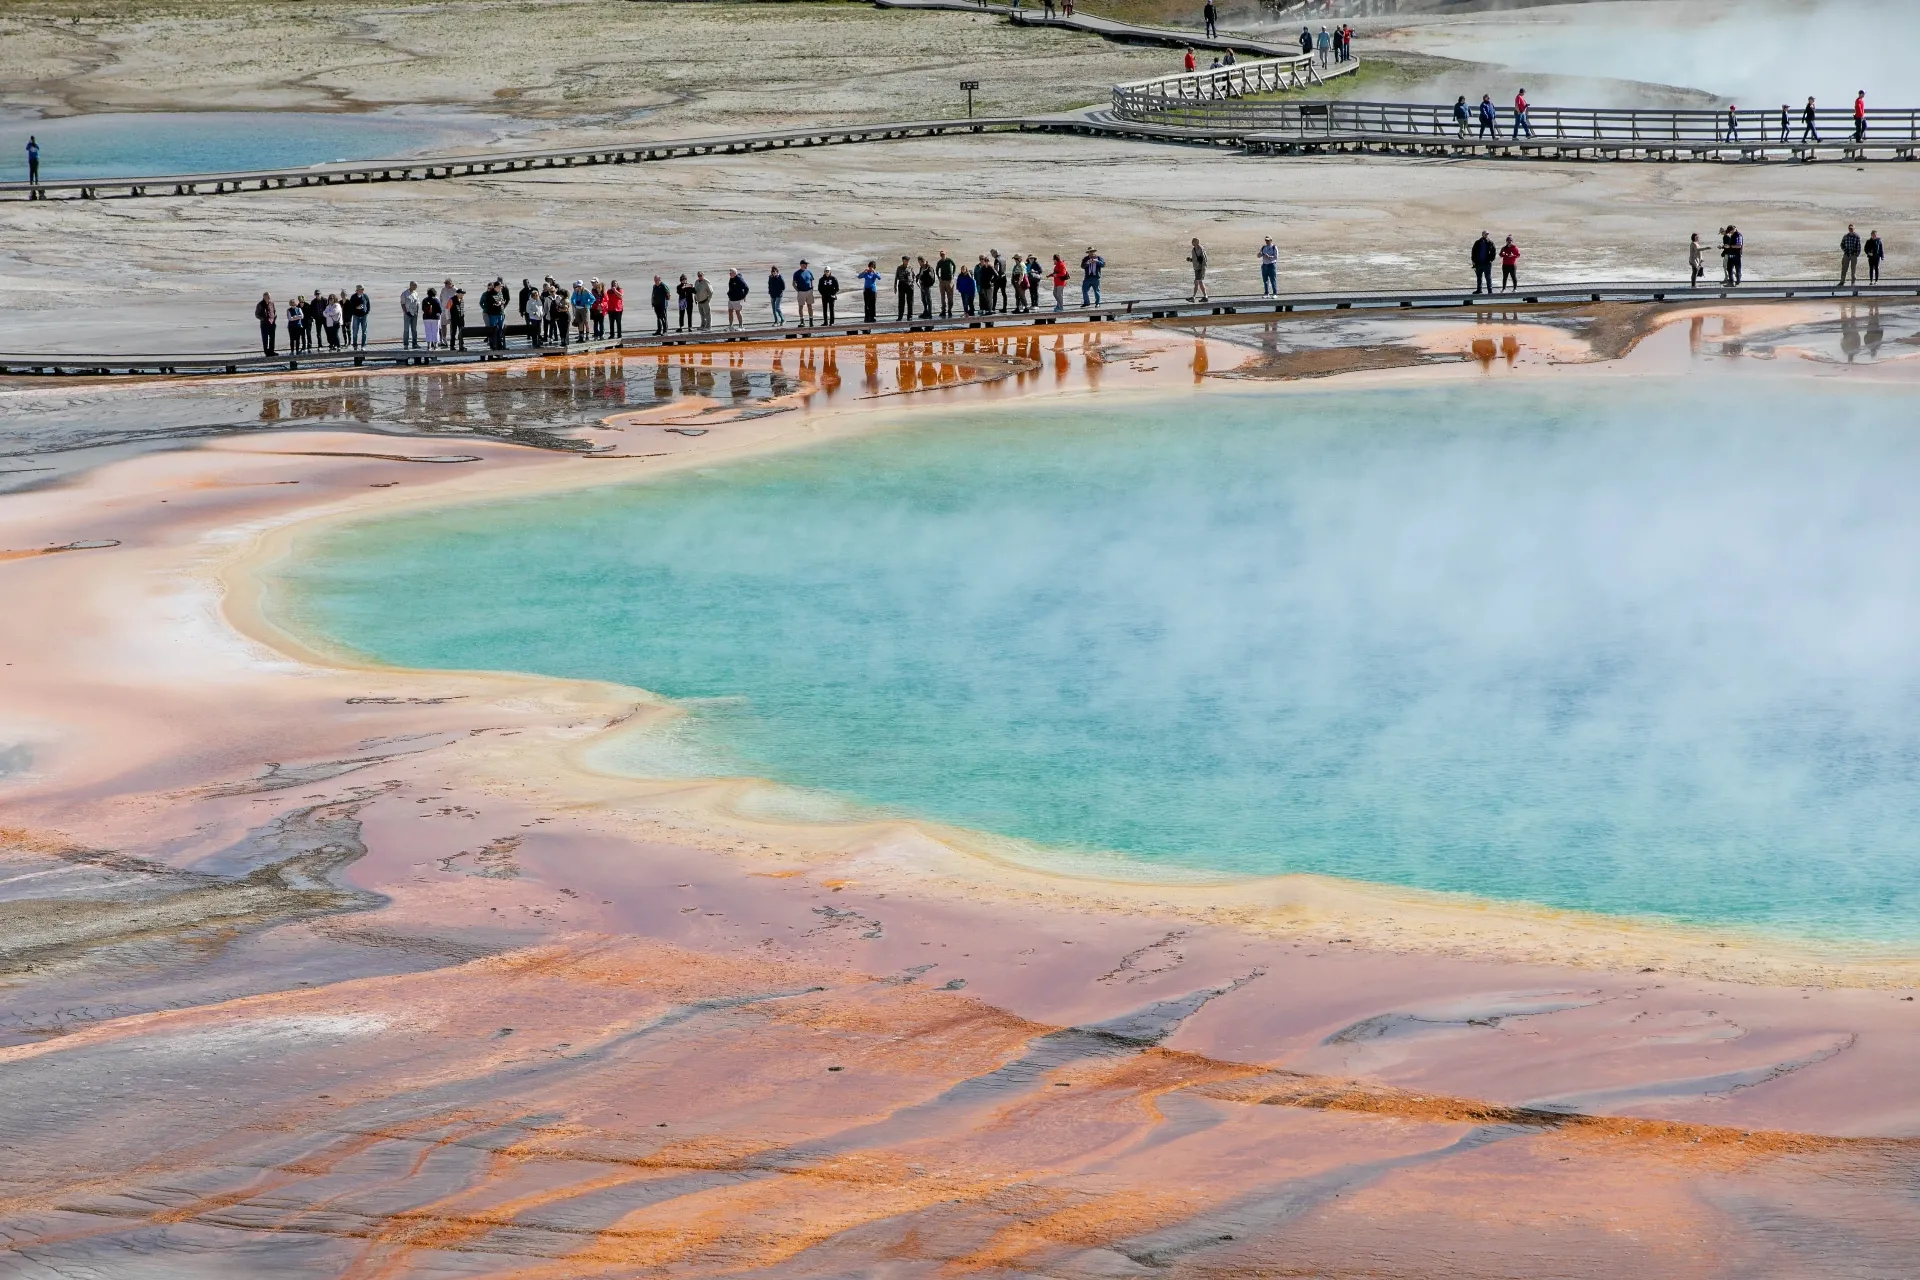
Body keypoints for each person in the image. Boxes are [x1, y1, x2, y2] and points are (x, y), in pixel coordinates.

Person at [793, 259, 816, 326]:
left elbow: (811, 280)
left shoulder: (809, 272)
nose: (806, 265)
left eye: (806, 264)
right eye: (805, 264)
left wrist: (812, 287)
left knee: (810, 306)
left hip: (809, 291)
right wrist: (798, 291)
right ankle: (802, 321)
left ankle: (811, 321)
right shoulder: (796, 273)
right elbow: (793, 283)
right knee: (801, 307)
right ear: (801, 265)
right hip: (801, 292)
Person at [400, 281, 421, 349]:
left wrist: (417, 312)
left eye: (416, 286)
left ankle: (414, 344)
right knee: (406, 329)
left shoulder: (416, 293)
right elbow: (402, 304)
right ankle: (406, 344)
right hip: (407, 314)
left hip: (414, 314)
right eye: (415, 285)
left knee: (414, 329)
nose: (416, 287)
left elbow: (417, 303)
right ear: (411, 285)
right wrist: (406, 312)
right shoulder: (405, 293)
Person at [935, 251, 957, 318]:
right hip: (942, 281)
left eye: (943, 254)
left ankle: (950, 310)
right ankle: (943, 311)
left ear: (945, 255)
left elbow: (954, 266)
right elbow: (936, 270)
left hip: (949, 280)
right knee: (942, 297)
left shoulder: (949, 260)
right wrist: (939, 277)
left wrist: (953, 274)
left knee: (950, 297)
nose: (942, 256)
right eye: (941, 255)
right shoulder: (940, 262)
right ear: (940, 255)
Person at [348, 285, 370, 349]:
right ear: (357, 290)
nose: (362, 291)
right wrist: (356, 308)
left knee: (364, 331)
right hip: (356, 316)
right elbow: (350, 307)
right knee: (355, 331)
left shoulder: (365, 296)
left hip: (364, 316)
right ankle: (355, 345)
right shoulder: (353, 297)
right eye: (360, 289)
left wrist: (367, 312)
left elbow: (368, 304)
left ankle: (363, 345)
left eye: (362, 289)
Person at [1187, 237, 1208, 301]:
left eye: (1193, 242)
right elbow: (1195, 259)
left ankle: (1194, 297)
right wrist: (1190, 259)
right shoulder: (1194, 249)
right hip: (1196, 268)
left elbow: (1204, 260)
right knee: (1200, 282)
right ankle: (1205, 296)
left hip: (1200, 268)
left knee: (1196, 282)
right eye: (1192, 242)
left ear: (1197, 242)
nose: (1192, 243)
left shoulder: (1201, 249)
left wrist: (1203, 270)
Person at [892, 256, 913, 321]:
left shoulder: (910, 267)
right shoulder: (899, 268)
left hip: (909, 285)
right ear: (903, 261)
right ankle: (900, 316)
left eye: (908, 261)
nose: (907, 262)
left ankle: (910, 316)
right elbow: (896, 277)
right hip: (901, 285)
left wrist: (913, 284)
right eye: (906, 260)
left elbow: (913, 276)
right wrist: (895, 286)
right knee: (901, 302)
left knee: (910, 301)